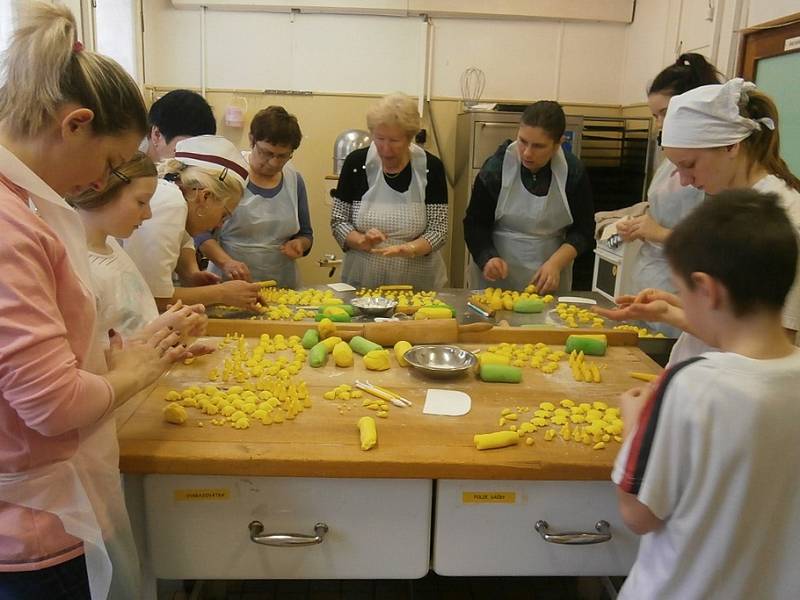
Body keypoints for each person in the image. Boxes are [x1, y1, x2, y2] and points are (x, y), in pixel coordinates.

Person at [0, 3, 190, 599]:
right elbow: (52, 404)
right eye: (110, 162)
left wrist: (124, 352)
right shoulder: (10, 227)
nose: (98, 184)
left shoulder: (24, 206)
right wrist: (134, 371)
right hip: (32, 525)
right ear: (75, 123)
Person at [613, 189, 800, 599]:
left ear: (706, 288)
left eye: (680, 290)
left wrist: (634, 422)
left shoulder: (689, 384)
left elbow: (637, 513)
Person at [595, 78, 800, 364]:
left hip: (728, 395)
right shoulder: (733, 203)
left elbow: (771, 349)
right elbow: (733, 321)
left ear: (731, 146)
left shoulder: (783, 219)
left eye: (689, 165)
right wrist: (673, 310)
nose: (685, 180)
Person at [615, 54, 721, 335]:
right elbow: (662, 209)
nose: (661, 123)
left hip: (685, 293)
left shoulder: (716, 173)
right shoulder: (670, 160)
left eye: (665, 112)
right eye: (655, 116)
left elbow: (716, 245)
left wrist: (659, 232)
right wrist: (640, 225)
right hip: (653, 284)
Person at [70, 152, 209, 347]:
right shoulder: (76, 267)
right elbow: (91, 361)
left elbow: (134, 323)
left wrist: (173, 337)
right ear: (103, 192)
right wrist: (161, 330)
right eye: (141, 202)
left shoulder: (111, 247)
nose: (148, 214)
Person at [464, 101, 594, 293]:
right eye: (523, 141)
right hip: (498, 279)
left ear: (558, 144)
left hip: (548, 276)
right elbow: (475, 223)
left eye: (538, 146)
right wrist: (487, 257)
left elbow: (584, 229)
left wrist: (556, 263)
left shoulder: (573, 173)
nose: (527, 153)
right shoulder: (496, 168)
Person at [125, 134, 261, 311]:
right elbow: (153, 299)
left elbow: (184, 242)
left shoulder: (178, 201)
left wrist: (191, 275)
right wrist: (221, 293)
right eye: (223, 215)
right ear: (205, 196)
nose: (220, 225)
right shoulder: (170, 202)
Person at [331, 93, 448, 289]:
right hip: (363, 280)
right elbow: (339, 221)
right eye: (379, 138)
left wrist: (409, 249)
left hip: (416, 284)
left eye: (394, 141)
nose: (385, 149)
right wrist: (361, 241)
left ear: (410, 137)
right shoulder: (356, 164)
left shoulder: (430, 168)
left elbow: (439, 230)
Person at [197, 106, 313, 287]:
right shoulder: (228, 174)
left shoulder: (294, 180)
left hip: (282, 284)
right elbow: (200, 232)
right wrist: (225, 262)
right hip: (231, 283)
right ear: (252, 140)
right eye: (266, 153)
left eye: (283, 156)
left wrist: (299, 244)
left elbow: (306, 234)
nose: (274, 162)